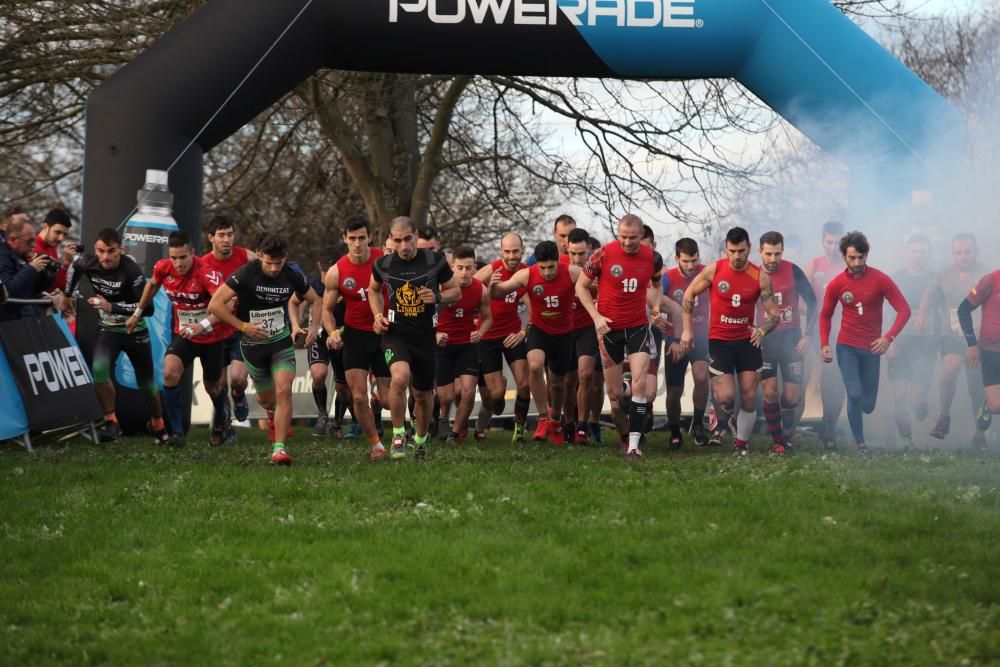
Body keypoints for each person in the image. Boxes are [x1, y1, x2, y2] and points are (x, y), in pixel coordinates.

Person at [208, 233, 321, 466]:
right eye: (268, 262)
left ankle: (279, 449)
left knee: (284, 389)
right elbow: (215, 305)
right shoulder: (247, 272)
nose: (272, 268)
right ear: (260, 256)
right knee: (268, 401)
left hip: (280, 342)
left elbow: (315, 299)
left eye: (277, 263)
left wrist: (314, 327)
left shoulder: (291, 274)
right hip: (252, 345)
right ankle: (254, 404)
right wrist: (244, 326)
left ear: (285, 258)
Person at [680, 227, 782, 456]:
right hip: (720, 341)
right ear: (726, 249)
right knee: (726, 396)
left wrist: (763, 330)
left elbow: (774, 314)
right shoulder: (714, 270)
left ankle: (741, 446)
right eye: (732, 251)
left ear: (749, 249)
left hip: (748, 342)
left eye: (742, 251)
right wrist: (686, 330)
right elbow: (689, 294)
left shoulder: (759, 277)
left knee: (748, 394)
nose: (737, 256)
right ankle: (720, 412)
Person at [126, 231, 229, 447]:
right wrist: (137, 313)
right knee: (169, 373)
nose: (178, 263)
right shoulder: (163, 267)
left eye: (183, 257)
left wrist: (203, 325)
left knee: (213, 387)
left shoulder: (206, 273)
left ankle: (221, 421)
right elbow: (152, 285)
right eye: (174, 257)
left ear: (192, 253)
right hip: (185, 335)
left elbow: (227, 305)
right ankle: (177, 433)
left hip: (212, 336)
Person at [369, 216, 460, 459]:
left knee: (422, 395)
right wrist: (378, 315)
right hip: (395, 334)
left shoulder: (434, 260)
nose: (404, 246)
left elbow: (456, 291)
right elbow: (373, 290)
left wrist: (438, 297)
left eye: (408, 239)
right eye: (397, 240)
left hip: (425, 337)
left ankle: (420, 440)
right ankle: (398, 436)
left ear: (415, 234)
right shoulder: (383, 265)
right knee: (399, 378)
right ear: (390, 240)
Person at [62, 227, 164, 442]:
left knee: (146, 383)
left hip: (135, 331)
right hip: (109, 329)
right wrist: (66, 295)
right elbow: (74, 268)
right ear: (95, 250)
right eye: (101, 251)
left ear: (121, 250)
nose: (105, 257)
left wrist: (112, 307)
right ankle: (111, 422)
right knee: (99, 370)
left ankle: (157, 422)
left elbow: (149, 309)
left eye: (111, 252)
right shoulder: (88, 261)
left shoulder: (131, 270)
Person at [576, 214, 664, 461]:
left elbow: (656, 286)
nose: (627, 243)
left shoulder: (652, 259)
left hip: (637, 327)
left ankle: (634, 446)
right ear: (618, 234)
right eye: (623, 237)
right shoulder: (602, 255)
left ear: (642, 235)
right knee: (614, 397)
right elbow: (580, 286)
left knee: (640, 385)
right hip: (609, 330)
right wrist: (596, 317)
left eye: (633, 238)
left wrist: (655, 308)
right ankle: (625, 434)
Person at [819, 231, 911, 456]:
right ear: (844, 257)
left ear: (867, 255)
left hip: (872, 349)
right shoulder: (836, 284)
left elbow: (904, 309)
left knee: (868, 405)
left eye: (861, 257)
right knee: (855, 394)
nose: (857, 262)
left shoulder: (880, 279)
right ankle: (861, 445)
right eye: (852, 258)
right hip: (847, 347)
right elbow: (825, 315)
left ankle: (857, 420)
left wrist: (888, 337)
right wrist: (824, 344)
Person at [492, 240, 583, 445]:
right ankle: (543, 417)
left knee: (558, 383)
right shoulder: (527, 274)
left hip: (563, 333)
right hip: (538, 329)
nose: (547, 272)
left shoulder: (572, 272)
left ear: (558, 262)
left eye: (551, 267)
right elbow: (499, 292)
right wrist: (492, 287)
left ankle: (555, 420)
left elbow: (596, 284)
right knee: (534, 366)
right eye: (542, 268)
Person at [322, 215, 392, 461]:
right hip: (354, 336)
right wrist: (332, 332)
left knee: (387, 402)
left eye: (362, 238)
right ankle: (377, 446)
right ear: (345, 240)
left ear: (370, 238)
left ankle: (379, 399)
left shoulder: (383, 260)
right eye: (352, 239)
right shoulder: (337, 271)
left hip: (384, 334)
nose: (357, 243)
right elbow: (327, 311)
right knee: (358, 396)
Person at [916, 233, 989, 449]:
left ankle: (979, 435)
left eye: (968, 252)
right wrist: (921, 315)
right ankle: (944, 417)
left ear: (976, 251)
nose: (963, 257)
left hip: (979, 336)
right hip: (953, 334)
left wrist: (976, 286)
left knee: (976, 387)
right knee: (949, 368)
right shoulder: (945, 274)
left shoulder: (987, 274)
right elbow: (929, 294)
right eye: (958, 252)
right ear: (952, 253)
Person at [756, 231, 818, 453]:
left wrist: (807, 335)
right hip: (766, 340)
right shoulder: (752, 274)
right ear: (760, 252)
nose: (773, 259)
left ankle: (785, 432)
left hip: (792, 338)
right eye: (769, 254)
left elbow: (813, 304)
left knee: (792, 398)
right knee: (770, 393)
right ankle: (778, 441)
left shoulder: (793, 270)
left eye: (778, 254)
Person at [201, 215, 257, 440]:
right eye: (221, 235)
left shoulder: (246, 257)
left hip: (240, 329)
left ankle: (240, 395)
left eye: (230, 234)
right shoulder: (203, 264)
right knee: (219, 383)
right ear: (211, 238)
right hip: (215, 332)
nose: (226, 240)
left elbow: (265, 274)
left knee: (236, 379)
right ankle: (227, 426)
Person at [473, 233, 532, 444]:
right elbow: (467, 287)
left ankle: (519, 431)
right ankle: (498, 389)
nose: (511, 256)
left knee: (524, 384)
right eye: (507, 251)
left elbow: (534, 308)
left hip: (512, 334)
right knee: (496, 395)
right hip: (487, 336)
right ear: (501, 252)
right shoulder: (491, 270)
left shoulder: (527, 273)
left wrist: (523, 333)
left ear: (522, 251)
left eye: (515, 251)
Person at [291, 248, 353, 439]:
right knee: (319, 374)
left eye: (331, 270)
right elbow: (293, 302)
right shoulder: (311, 283)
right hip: (318, 335)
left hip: (342, 336)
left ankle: (337, 422)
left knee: (343, 387)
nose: (327, 276)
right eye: (325, 271)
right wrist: (295, 324)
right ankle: (322, 414)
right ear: (319, 266)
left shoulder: (346, 282)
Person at [436, 246, 492, 444]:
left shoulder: (480, 289)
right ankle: (442, 417)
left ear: (475, 267)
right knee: (447, 396)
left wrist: (480, 332)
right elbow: (424, 317)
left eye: (469, 268)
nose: (464, 273)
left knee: (468, 391)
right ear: (452, 267)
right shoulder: (441, 287)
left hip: (467, 344)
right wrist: (435, 334)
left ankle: (455, 433)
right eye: (460, 268)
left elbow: (487, 318)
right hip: (443, 345)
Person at [888, 234, 937, 449]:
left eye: (922, 252)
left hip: (925, 344)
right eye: (914, 251)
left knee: (916, 400)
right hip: (900, 343)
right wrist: (887, 340)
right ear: (907, 253)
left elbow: (949, 309)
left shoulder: (936, 280)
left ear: (929, 255)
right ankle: (906, 442)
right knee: (900, 396)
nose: (918, 256)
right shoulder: (895, 278)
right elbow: (884, 311)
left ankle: (922, 407)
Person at [663, 238, 711, 447]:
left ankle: (698, 424)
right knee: (674, 390)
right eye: (685, 261)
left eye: (694, 260)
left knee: (702, 377)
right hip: (675, 339)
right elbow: (656, 312)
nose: (691, 266)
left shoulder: (708, 272)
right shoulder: (667, 279)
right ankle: (675, 432)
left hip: (700, 337)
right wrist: (670, 340)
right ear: (676, 259)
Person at [805, 220, 847, 449]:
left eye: (838, 242)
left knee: (838, 378)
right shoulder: (813, 266)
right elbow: (802, 300)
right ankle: (828, 427)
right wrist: (809, 310)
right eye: (829, 242)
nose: (833, 247)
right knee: (830, 372)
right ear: (822, 242)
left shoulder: (850, 266)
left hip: (846, 330)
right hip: (821, 330)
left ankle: (828, 421)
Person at [565, 228, 602, 444]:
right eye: (573, 254)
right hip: (565, 330)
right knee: (567, 381)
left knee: (587, 376)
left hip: (589, 328)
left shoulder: (599, 269)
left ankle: (583, 426)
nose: (577, 259)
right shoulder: (559, 268)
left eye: (582, 254)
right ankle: (567, 423)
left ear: (590, 249)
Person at [958, 266, 1000, 439]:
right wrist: (972, 344)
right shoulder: (991, 280)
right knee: (996, 406)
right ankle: (988, 404)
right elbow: (963, 310)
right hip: (991, 350)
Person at [0, 218, 57, 321]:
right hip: (10, 325)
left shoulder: (19, 255)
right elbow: (7, 291)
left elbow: (32, 290)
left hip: (25, 320)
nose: (34, 245)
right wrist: (32, 268)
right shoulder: (2, 256)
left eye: (34, 240)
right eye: (29, 241)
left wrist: (48, 274)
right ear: (12, 239)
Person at [33, 208, 76, 295]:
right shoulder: (32, 248)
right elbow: (49, 287)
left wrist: (66, 263)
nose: (61, 238)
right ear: (45, 227)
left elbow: (58, 285)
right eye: (57, 232)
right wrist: (66, 264)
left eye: (64, 234)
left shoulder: (52, 248)